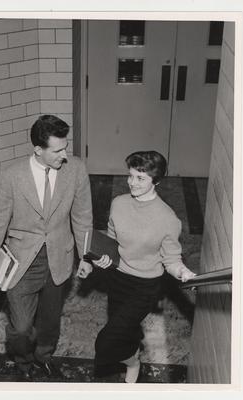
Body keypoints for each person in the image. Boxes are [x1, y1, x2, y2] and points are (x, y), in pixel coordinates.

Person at [0, 114, 93, 379]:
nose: (64, 155)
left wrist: (86, 256)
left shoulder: (76, 170)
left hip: (59, 257)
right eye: (57, 150)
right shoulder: (10, 177)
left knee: (50, 321)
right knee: (21, 327)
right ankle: (23, 361)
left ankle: (43, 356)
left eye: (65, 147)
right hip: (21, 261)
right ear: (38, 150)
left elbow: (83, 217)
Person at [77, 150, 196, 383]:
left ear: (157, 181)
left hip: (145, 285)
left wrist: (183, 272)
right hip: (118, 279)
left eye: (140, 178)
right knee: (126, 327)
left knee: (107, 340)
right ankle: (132, 349)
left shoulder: (168, 219)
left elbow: (171, 259)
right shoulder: (119, 203)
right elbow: (112, 241)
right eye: (130, 176)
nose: (132, 183)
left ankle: (132, 360)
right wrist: (100, 260)